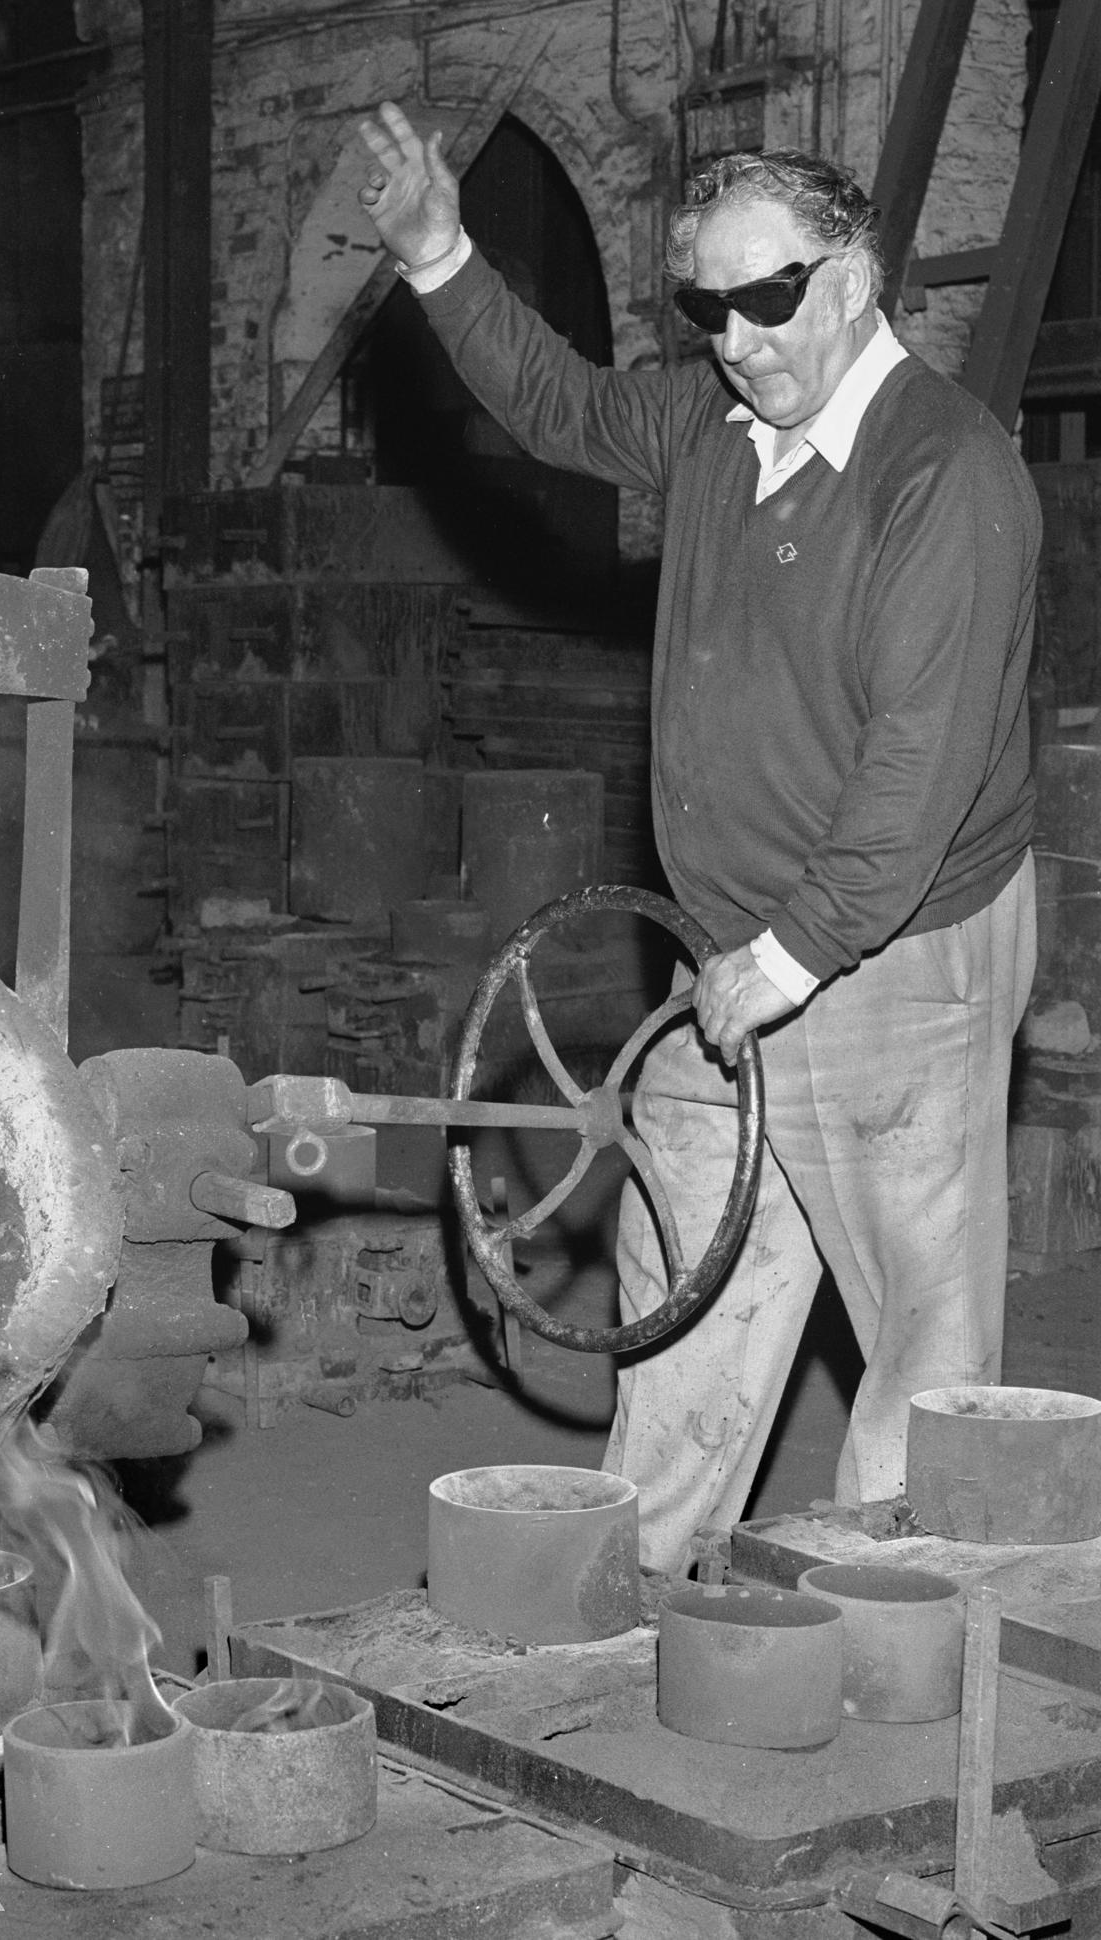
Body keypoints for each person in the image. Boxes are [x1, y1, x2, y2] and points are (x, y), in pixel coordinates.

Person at [355, 103, 1039, 1573]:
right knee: (687, 1277)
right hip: (727, 949)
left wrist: (792, 956)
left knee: (921, 1337)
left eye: (771, 297)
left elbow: (913, 780)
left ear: (853, 282)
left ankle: (904, 1633)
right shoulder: (715, 433)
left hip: (894, 956)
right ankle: (639, 1597)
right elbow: (556, 403)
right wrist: (437, 256)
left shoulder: (949, 477)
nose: (737, 336)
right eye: (707, 306)